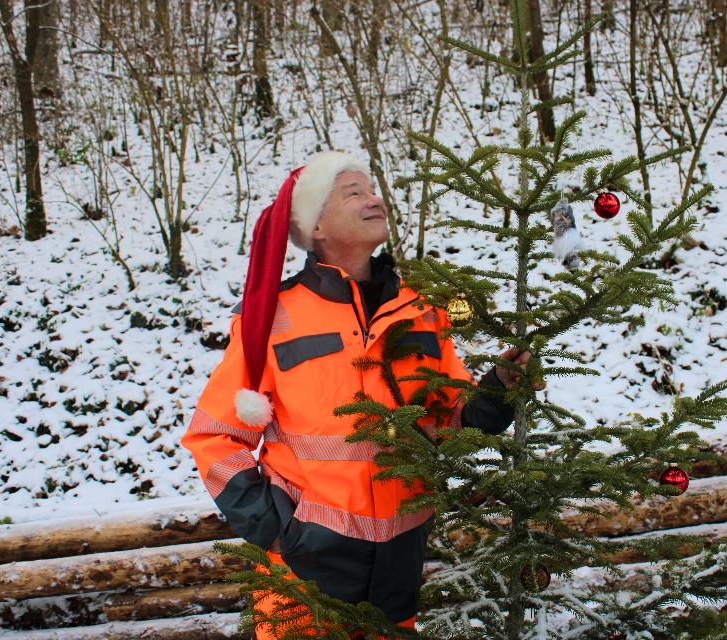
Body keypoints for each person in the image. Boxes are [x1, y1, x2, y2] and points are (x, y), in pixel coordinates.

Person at [180, 151, 542, 639]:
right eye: (355, 193)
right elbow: (214, 437)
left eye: (374, 190)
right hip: (305, 561)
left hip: (400, 556)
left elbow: (454, 418)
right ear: (317, 227)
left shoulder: (422, 310)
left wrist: (496, 392)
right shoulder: (272, 318)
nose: (375, 200)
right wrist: (280, 528)